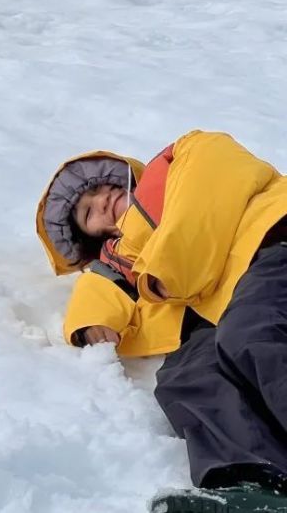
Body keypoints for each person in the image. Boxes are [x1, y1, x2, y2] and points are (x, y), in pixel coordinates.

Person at [36, 130, 287, 512]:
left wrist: (167, 267)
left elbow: (213, 181)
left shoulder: (177, 161)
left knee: (252, 334)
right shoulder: (131, 262)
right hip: (224, 302)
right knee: (188, 374)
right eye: (88, 213)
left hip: (273, 240)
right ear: (96, 236)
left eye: (100, 187)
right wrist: (92, 320)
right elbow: (102, 286)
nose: (101, 202)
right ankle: (255, 486)